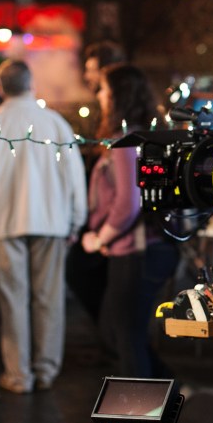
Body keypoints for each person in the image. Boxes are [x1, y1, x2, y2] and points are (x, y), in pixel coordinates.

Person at [0, 59, 87, 394]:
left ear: (0, 87)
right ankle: (46, 368)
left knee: (13, 301)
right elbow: (75, 177)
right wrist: (76, 221)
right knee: (49, 298)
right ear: (32, 83)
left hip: (4, 224)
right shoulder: (56, 124)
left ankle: (19, 374)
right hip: (52, 222)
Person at [81, 63, 181, 423]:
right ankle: (166, 394)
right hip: (146, 248)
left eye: (105, 90)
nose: (100, 96)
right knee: (119, 329)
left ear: (118, 95)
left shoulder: (126, 141)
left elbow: (129, 202)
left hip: (137, 250)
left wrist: (100, 237)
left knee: (125, 333)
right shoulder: (143, 136)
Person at [67, 40, 128, 323]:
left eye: (92, 69)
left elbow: (127, 197)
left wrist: (103, 235)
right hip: (103, 217)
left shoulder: (119, 123)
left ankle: (109, 332)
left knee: (81, 272)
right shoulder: (101, 111)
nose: (87, 76)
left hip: (113, 224)